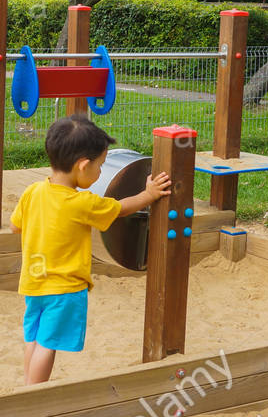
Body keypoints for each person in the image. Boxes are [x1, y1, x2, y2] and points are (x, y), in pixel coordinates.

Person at [10, 115, 171, 385]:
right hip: (63, 288)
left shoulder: (32, 191)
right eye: (100, 166)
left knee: (35, 338)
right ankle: (34, 394)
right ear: (82, 166)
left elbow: (16, 227)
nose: (100, 173)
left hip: (33, 282)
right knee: (48, 345)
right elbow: (121, 208)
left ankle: (26, 385)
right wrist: (149, 195)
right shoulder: (82, 203)